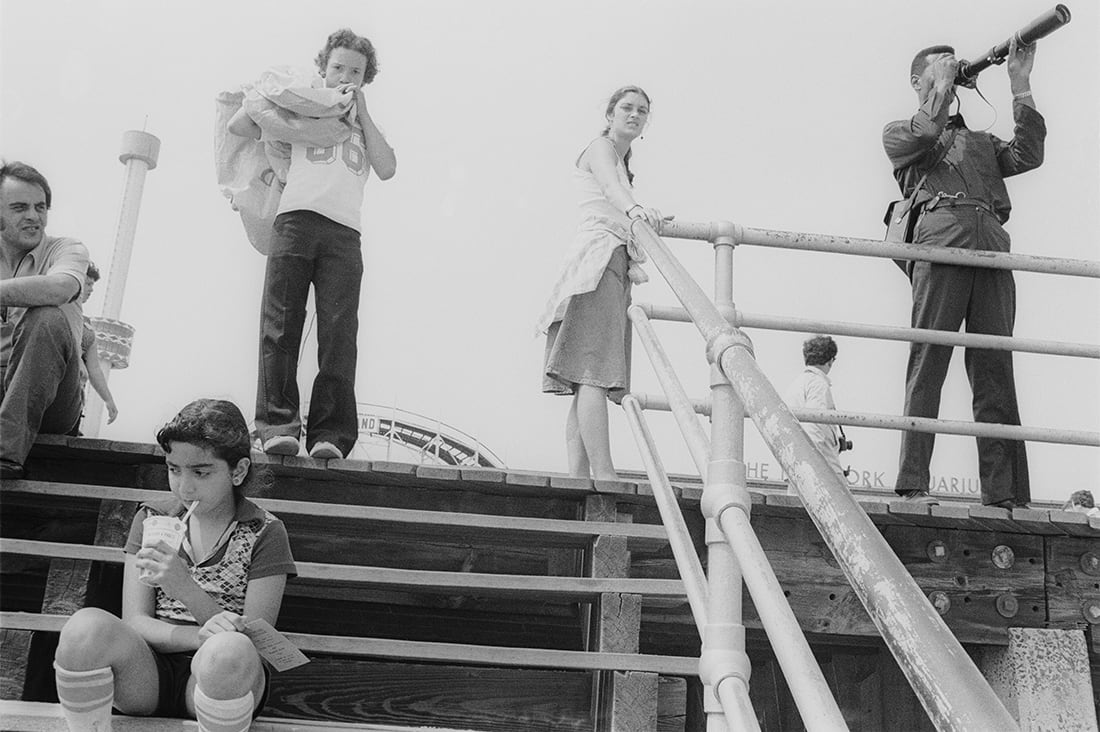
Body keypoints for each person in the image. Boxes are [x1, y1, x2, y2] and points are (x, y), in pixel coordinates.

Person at [53, 399, 297, 732]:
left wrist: (184, 587)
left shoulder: (264, 532)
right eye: (173, 469)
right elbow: (136, 621)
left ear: (237, 471)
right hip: (146, 672)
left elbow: (256, 644)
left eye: (201, 472)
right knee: (83, 629)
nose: (184, 486)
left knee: (229, 651)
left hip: (224, 678)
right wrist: (198, 636)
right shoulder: (151, 518)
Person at [883, 39, 1044, 507]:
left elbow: (1028, 154)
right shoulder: (900, 132)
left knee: (995, 367)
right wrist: (942, 85)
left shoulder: (978, 141)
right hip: (941, 243)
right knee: (929, 362)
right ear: (918, 82)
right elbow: (923, 131)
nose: (953, 69)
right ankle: (914, 483)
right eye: (940, 66)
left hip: (990, 245)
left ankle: (1005, 493)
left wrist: (1019, 83)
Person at [228, 28, 396, 461]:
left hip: (344, 232)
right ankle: (277, 425)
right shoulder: (301, 106)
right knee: (281, 324)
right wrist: (288, 102)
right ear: (322, 68)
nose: (346, 75)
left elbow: (387, 167)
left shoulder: (361, 122)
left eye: (356, 71)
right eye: (338, 66)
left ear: (366, 78)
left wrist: (361, 111)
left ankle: (331, 434)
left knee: (340, 333)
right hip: (295, 220)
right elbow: (241, 122)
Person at [537, 86, 665, 481]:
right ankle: (605, 476)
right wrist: (636, 211)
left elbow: (616, 193)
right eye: (626, 108)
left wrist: (640, 215)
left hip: (605, 260)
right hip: (599, 259)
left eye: (641, 111)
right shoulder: (601, 148)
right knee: (594, 371)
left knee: (584, 376)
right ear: (609, 114)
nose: (634, 115)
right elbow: (611, 189)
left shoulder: (621, 160)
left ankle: (579, 478)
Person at [0, 162, 89, 479]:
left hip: (53, 396)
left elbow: (61, 287)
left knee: (47, 316)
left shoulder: (67, 248)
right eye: (19, 207)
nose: (34, 216)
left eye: (40, 207)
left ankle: (5, 455)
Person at [783, 335, 847, 484]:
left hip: (796, 465)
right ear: (830, 360)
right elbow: (815, 427)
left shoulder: (796, 384)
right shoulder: (818, 385)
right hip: (819, 470)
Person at [69, 261, 118, 435]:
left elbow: (94, 368)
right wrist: (75, 361)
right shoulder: (54, 311)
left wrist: (108, 400)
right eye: (88, 283)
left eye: (93, 285)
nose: (91, 289)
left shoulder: (87, 326)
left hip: (74, 399)